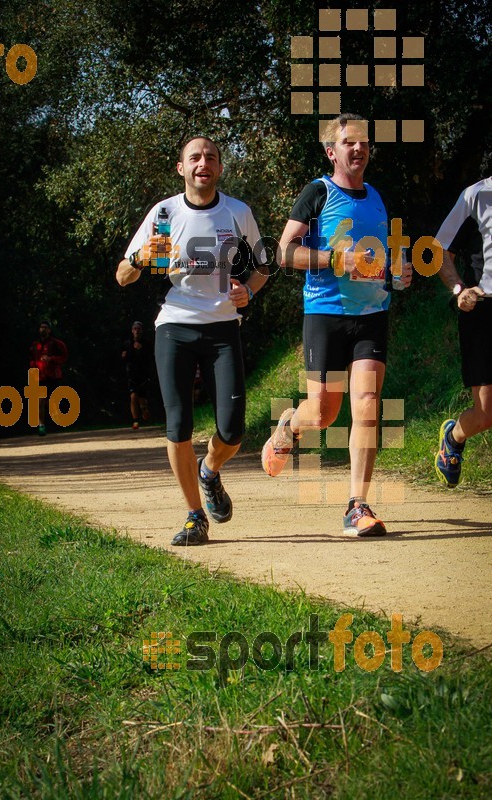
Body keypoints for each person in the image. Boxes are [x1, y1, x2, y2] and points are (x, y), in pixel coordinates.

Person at [261, 113, 412, 536]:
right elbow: (283, 253)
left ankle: (356, 505)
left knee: (366, 403)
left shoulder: (377, 198)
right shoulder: (318, 193)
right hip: (325, 315)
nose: (359, 148)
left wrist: (397, 272)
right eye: (349, 142)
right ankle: (290, 424)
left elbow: (382, 258)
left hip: (371, 317)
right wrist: (333, 259)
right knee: (323, 414)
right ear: (332, 151)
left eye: (364, 142)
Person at [116, 136, 268, 545]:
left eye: (211, 157)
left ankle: (209, 471)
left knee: (233, 430)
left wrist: (248, 292)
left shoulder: (238, 213)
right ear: (181, 167)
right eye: (195, 157)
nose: (204, 163)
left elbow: (264, 267)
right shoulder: (163, 213)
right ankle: (193, 516)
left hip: (222, 326)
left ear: (219, 168)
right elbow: (122, 275)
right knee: (178, 422)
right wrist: (142, 256)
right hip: (175, 324)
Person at [434, 175, 492, 487]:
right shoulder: (475, 195)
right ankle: (454, 437)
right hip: (483, 310)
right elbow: (440, 249)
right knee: (486, 414)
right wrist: (459, 290)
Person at [29, 320, 68, 435]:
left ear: (49, 330)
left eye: (45, 327)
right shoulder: (35, 345)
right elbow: (31, 358)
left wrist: (52, 359)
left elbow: (64, 356)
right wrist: (33, 366)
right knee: (40, 402)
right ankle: (41, 426)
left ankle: (57, 423)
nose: (43, 329)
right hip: (40, 378)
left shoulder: (56, 343)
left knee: (52, 402)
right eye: (41, 327)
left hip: (53, 377)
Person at [121, 320, 151, 430]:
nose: (137, 331)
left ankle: (144, 410)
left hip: (143, 375)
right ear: (132, 331)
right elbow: (123, 357)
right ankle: (135, 421)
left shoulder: (147, 343)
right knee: (133, 397)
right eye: (135, 329)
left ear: (142, 331)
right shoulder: (127, 344)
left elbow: (149, 358)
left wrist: (141, 350)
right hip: (131, 375)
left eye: (139, 329)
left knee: (142, 400)